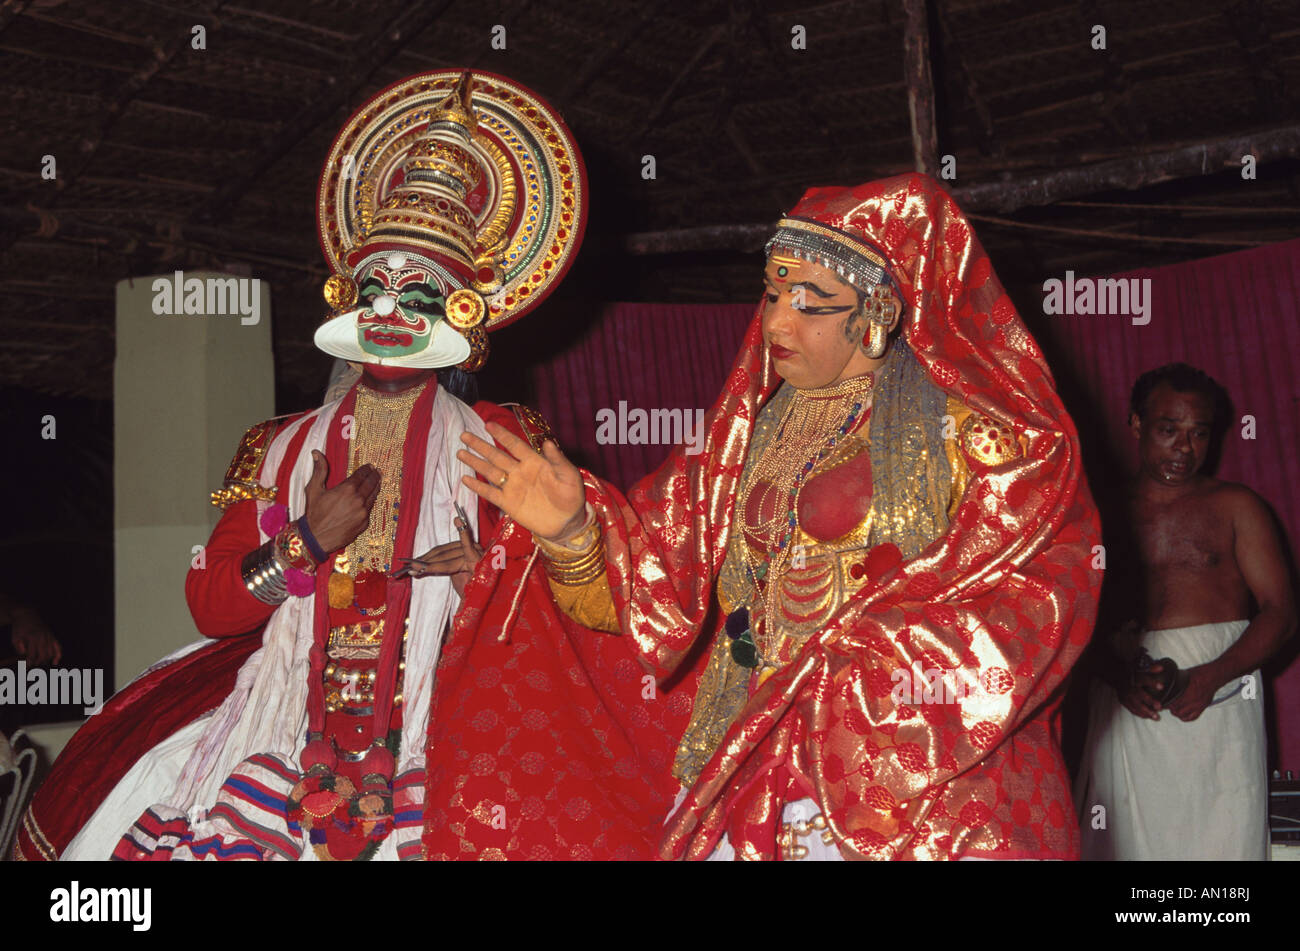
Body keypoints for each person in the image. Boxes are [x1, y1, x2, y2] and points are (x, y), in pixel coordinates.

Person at [14, 70, 683, 862]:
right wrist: (302, 541)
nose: (390, 311)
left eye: (419, 293)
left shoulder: (506, 436)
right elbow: (212, 604)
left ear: (462, 312)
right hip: (282, 724)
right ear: (346, 298)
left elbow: (592, 608)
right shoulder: (282, 443)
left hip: (449, 722)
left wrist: (489, 585)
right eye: (375, 288)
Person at [459, 172, 1102, 859]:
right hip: (749, 776)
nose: (775, 323)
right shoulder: (743, 442)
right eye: (770, 295)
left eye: (810, 304)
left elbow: (1037, 599)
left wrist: (865, 664)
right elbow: (650, 596)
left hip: (918, 797)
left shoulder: (982, 440)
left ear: (879, 312)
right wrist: (572, 532)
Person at [1075, 363, 1295, 860]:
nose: (1184, 448)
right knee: (1126, 839)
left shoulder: (1238, 507)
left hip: (1222, 692)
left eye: (1198, 433)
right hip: (1128, 699)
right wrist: (1117, 675)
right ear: (1136, 424)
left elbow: (1282, 613)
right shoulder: (1095, 513)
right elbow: (1069, 619)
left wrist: (1211, 676)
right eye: (1168, 430)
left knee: (1223, 833)